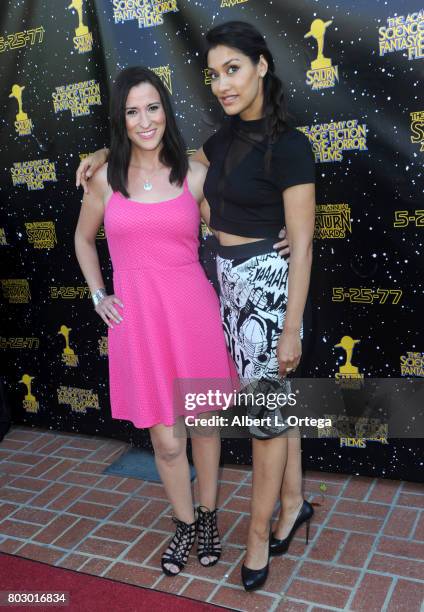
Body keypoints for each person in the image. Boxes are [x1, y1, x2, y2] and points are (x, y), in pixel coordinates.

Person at [76, 20, 316, 592]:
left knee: (260, 415)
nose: (224, 83)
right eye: (215, 75)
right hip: (200, 301)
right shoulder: (219, 141)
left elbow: (276, 233)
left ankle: (249, 532)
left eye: (233, 69)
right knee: (236, 418)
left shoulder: (263, 152)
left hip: (237, 298)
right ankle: (285, 503)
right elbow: (150, 164)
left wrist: (283, 276)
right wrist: (103, 149)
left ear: (262, 66)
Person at [74, 66, 239, 577]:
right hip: (139, 325)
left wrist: (277, 235)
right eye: (132, 111)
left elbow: (232, 231)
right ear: (120, 119)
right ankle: (184, 522)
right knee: (167, 441)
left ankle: (209, 517)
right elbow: (82, 239)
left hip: (193, 317)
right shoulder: (103, 177)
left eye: (153, 107)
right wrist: (99, 293)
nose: (145, 120)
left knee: (206, 428)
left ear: (166, 110)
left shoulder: (194, 174)